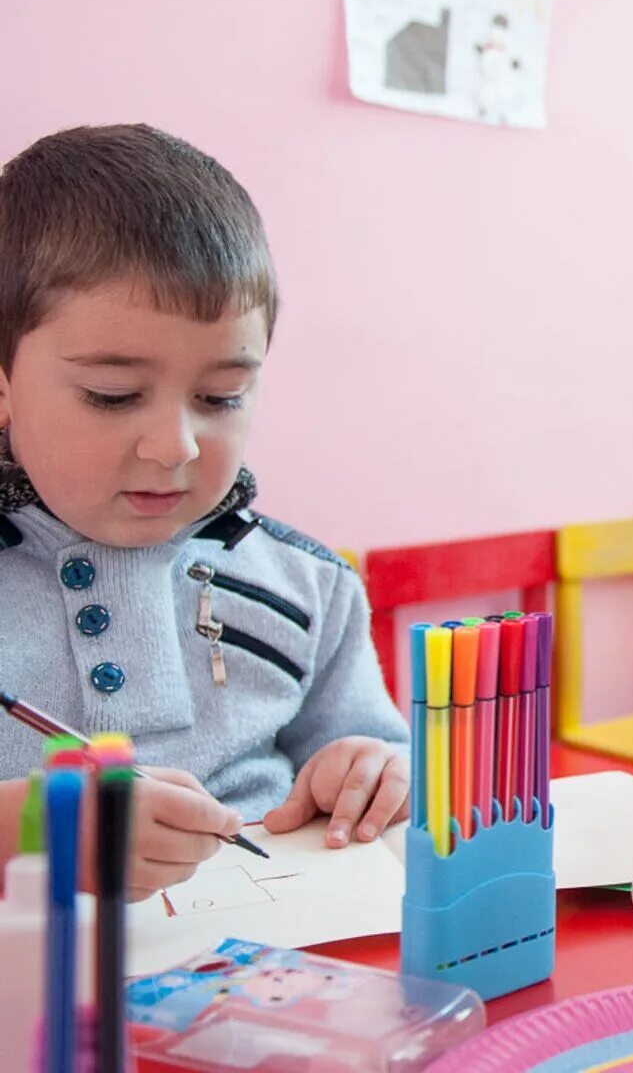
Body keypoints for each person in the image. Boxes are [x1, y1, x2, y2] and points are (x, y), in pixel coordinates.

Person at [0, 124, 408, 898]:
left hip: (281, 975)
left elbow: (377, 754)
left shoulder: (310, 585)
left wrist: (373, 766)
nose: (177, 445)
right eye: (113, 396)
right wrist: (29, 828)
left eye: (221, 397)